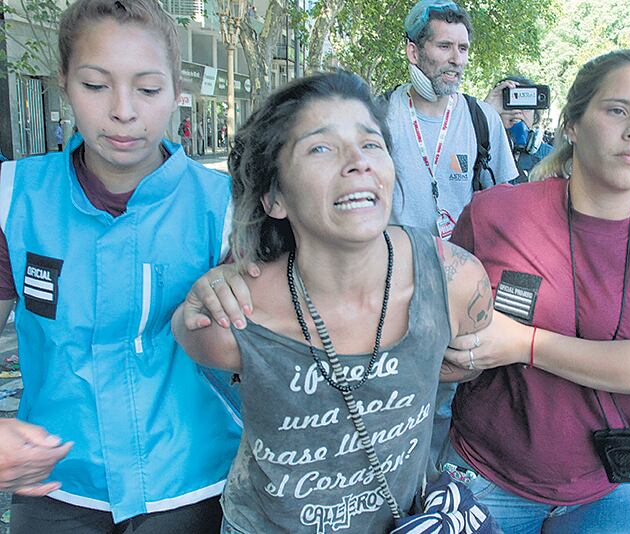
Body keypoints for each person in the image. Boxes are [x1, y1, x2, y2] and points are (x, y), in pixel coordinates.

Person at [172, 70, 492, 533]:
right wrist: (198, 299)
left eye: (372, 144)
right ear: (275, 197)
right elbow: (189, 330)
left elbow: (470, 359)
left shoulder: (454, 281)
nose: (357, 162)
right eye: (320, 147)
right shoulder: (239, 315)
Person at [437, 48, 630, 534]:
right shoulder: (494, 213)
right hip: (487, 476)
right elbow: (440, 343)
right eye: (617, 110)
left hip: (609, 484)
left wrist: (523, 343)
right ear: (573, 123)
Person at [0, 0, 242, 531]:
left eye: (149, 89)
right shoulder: (14, 199)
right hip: (56, 481)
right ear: (63, 82)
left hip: (195, 484)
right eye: (95, 85)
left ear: (180, 92)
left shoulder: (226, 209)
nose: (123, 111)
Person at [386, 0, 517, 240]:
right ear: (413, 52)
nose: (457, 59)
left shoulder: (484, 118)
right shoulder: (380, 115)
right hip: (396, 269)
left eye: (463, 48)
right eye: (445, 46)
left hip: (462, 270)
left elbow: (505, 209)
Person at [484, 75, 554, 183]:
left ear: (535, 115)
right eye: (510, 105)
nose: (517, 111)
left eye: (525, 105)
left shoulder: (551, 157)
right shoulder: (479, 150)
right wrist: (485, 111)